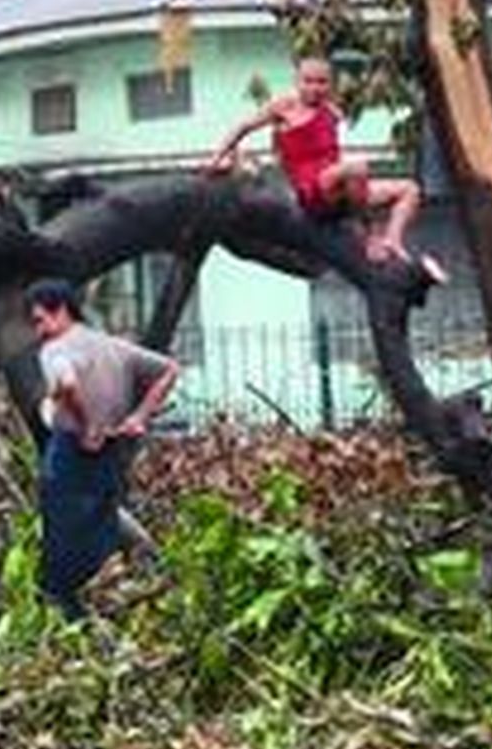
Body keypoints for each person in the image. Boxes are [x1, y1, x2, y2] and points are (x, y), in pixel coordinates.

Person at [27, 279, 178, 620]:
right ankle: (110, 608)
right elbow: (169, 369)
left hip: (70, 448)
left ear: (61, 310)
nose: (38, 331)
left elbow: (66, 383)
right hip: (111, 451)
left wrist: (85, 424)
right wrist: (139, 417)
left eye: (39, 320)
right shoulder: (111, 346)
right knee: (102, 527)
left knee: (65, 538)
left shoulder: (55, 349)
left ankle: (70, 617)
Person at [205, 55, 438, 273]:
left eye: (322, 82)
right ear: (297, 82)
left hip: (341, 190)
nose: (315, 88)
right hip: (313, 191)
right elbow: (243, 127)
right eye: (308, 81)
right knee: (356, 167)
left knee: (410, 189)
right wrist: (217, 158)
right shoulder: (284, 107)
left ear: (330, 85)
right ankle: (370, 234)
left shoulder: (331, 110)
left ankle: (393, 241)